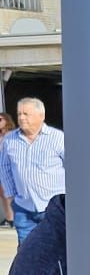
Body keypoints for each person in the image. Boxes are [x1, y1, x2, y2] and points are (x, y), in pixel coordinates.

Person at [0, 97, 64, 243]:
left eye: (26, 114)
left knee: (54, 248)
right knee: (26, 250)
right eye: (19, 114)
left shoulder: (57, 138)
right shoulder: (10, 140)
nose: (21, 118)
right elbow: (4, 167)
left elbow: (72, 167)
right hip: (23, 208)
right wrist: (11, 195)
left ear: (41, 116)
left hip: (53, 208)